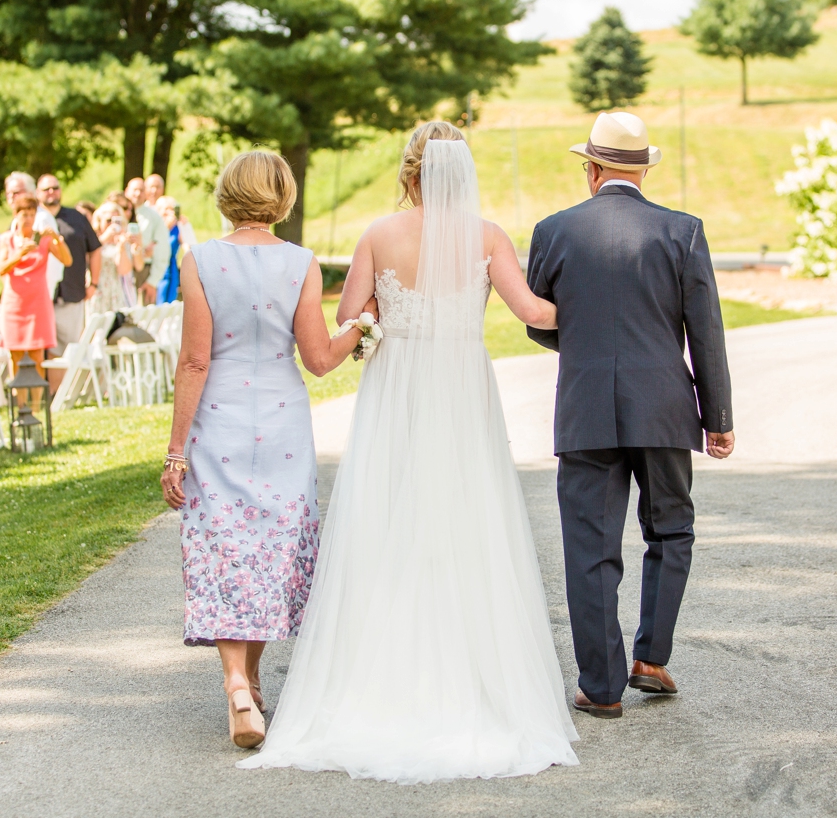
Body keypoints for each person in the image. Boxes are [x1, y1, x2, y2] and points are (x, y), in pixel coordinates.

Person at [239, 124, 578, 781]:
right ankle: (470, 681)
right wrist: (600, 300)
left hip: (395, 395)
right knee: (463, 523)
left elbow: (350, 320)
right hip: (460, 394)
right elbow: (535, 311)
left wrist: (374, 325)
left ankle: (378, 680)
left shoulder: (379, 235)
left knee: (388, 522)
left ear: (410, 172)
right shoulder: (486, 237)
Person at [525, 111, 735, 720]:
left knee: (589, 545)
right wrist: (716, 415)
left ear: (591, 170)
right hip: (666, 410)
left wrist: (591, 350)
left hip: (585, 409)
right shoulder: (683, 231)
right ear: (641, 169)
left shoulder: (554, 231)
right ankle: (650, 656)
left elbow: (539, 322)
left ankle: (601, 687)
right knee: (671, 530)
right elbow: (708, 333)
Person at [157, 151, 366, 750]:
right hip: (280, 425)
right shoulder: (301, 263)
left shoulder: (199, 260)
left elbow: (196, 359)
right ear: (282, 195)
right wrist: (367, 321)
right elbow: (321, 359)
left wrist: (177, 451)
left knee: (224, 545)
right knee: (271, 546)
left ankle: (237, 681)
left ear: (228, 193)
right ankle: (248, 680)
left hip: (218, 421)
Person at [35, 174, 101, 385]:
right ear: (38, 193)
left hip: (72, 292)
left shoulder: (76, 218)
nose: (51, 192)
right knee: (48, 348)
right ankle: (53, 393)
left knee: (72, 346)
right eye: (46, 189)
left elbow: (96, 250)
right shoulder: (32, 219)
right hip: (41, 295)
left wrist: (94, 283)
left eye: (55, 187)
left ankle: (69, 391)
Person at [0, 193, 70, 380]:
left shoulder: (43, 239)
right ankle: (19, 404)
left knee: (38, 354)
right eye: (24, 215)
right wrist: (20, 254)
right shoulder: (7, 239)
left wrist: (56, 237)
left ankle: (37, 404)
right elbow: (1, 269)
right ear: (16, 215)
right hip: (15, 304)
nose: (28, 219)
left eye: (32, 214)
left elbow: (67, 260)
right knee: (16, 355)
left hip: (37, 302)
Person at [126, 177, 167, 304]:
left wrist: (152, 282)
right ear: (127, 191)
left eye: (141, 190)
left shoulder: (154, 217)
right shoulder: (117, 213)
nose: (138, 194)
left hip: (143, 273)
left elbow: (162, 250)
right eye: (135, 190)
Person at [90, 202, 135, 314]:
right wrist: (104, 239)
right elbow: (87, 259)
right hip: (96, 291)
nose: (112, 224)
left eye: (116, 220)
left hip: (116, 292)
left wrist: (121, 248)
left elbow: (124, 270)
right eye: (108, 220)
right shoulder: (92, 239)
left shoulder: (122, 241)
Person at [155, 196, 183, 304]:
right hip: (160, 265)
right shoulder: (157, 226)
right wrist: (166, 227)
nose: (169, 212)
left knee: (171, 300)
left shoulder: (177, 226)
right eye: (166, 209)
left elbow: (186, 244)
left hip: (172, 265)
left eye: (172, 209)